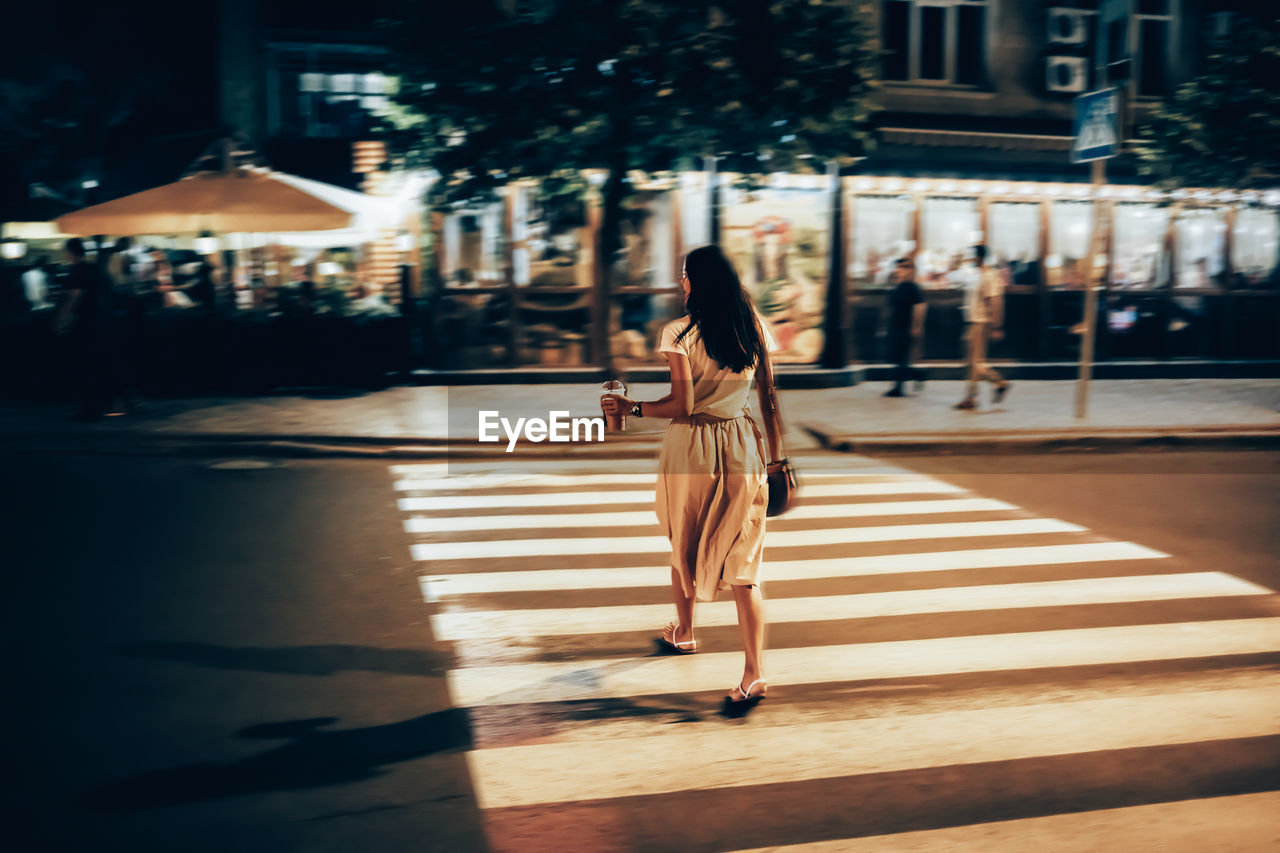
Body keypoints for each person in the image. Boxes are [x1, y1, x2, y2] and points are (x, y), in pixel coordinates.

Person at [601, 245, 785, 710]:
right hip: (744, 447)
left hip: (692, 451)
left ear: (696, 282)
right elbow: (769, 397)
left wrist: (633, 407)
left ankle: (685, 632)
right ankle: (753, 673)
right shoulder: (753, 327)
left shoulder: (679, 333)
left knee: (684, 540)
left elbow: (681, 406)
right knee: (744, 562)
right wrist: (776, 458)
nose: (682, 283)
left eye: (685, 275)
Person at [52, 238, 123, 420]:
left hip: (85, 326)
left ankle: (89, 409)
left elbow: (74, 296)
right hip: (103, 324)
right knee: (99, 365)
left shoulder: (78, 270)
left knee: (85, 367)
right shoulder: (96, 270)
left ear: (70, 252)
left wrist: (61, 320)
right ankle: (106, 404)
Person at [954, 244, 1011, 410]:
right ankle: (975, 395)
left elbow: (995, 302)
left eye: (972, 256)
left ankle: (997, 383)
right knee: (971, 362)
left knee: (976, 362)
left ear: (979, 257)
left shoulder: (990, 276)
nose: (970, 259)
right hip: (972, 321)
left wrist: (996, 326)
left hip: (981, 323)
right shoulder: (977, 275)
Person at [884, 256, 927, 397]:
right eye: (898, 267)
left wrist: (916, 327)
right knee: (898, 358)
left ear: (910, 270)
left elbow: (920, 307)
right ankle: (901, 385)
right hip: (895, 326)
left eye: (903, 267)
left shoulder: (913, 287)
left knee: (901, 359)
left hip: (906, 327)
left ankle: (916, 376)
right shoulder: (897, 286)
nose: (899, 270)